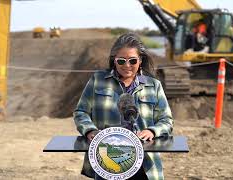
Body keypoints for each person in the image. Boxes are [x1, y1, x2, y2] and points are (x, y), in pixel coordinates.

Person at [73, 33, 174, 180]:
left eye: (132, 61)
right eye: (121, 61)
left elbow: (166, 120)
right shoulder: (97, 80)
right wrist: (90, 130)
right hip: (106, 160)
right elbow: (81, 112)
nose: (127, 66)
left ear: (140, 61)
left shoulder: (154, 85)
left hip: (145, 164)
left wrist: (152, 131)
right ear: (114, 60)